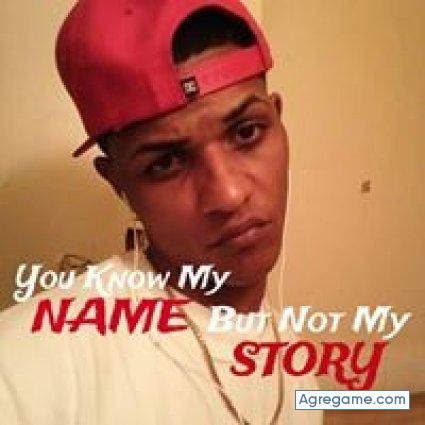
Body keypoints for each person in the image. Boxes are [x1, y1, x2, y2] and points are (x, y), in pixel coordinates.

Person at [0, 0, 322, 424]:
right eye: (166, 163)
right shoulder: (32, 363)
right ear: (118, 183)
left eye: (246, 133)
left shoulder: (295, 363)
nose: (228, 194)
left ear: (279, 122)